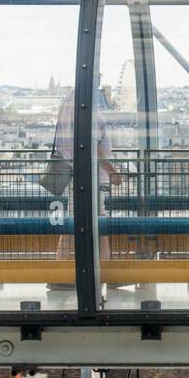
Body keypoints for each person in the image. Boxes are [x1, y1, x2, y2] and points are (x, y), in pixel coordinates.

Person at [50, 77, 121, 291]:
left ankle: (60, 273)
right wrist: (113, 172)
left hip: (72, 173)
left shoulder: (66, 102)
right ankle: (108, 273)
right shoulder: (86, 108)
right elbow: (96, 147)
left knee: (73, 225)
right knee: (100, 225)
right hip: (88, 176)